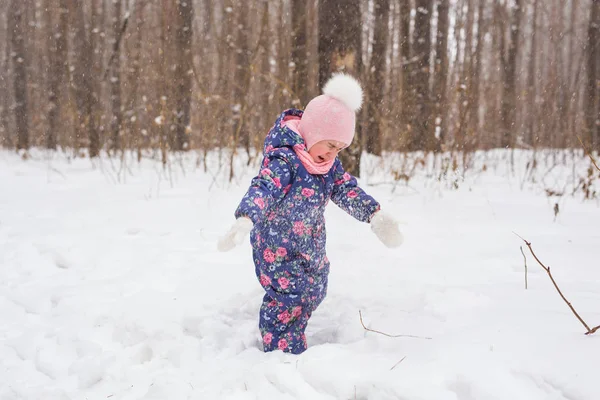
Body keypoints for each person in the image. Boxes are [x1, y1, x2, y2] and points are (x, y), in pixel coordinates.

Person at [218, 73, 402, 354]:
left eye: (339, 149)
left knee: (315, 288)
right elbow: (264, 187)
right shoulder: (285, 160)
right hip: (275, 247)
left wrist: (374, 216)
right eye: (329, 145)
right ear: (314, 132)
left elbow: (346, 190)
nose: (332, 154)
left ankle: (294, 328)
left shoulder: (329, 167)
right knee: (288, 297)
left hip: (310, 243)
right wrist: (246, 218)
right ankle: (281, 352)